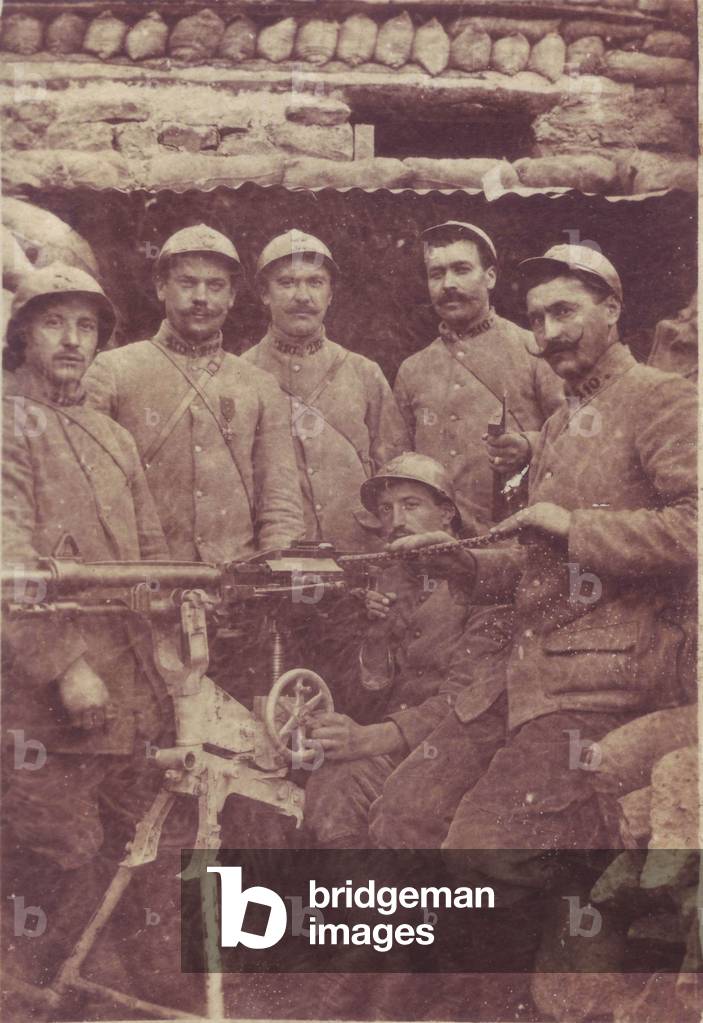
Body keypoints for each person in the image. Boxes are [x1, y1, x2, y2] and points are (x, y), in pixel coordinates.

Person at [389, 243, 697, 854]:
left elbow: (696, 527)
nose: (549, 334)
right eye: (535, 320)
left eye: (565, 313)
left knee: (480, 853)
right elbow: (539, 562)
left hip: (603, 690)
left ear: (611, 310)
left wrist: (575, 526)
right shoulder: (559, 424)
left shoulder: (663, 398)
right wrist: (462, 562)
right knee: (401, 816)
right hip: (519, 685)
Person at [1, 264, 171, 1004]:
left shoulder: (113, 439)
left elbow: (154, 555)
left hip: (128, 689)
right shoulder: (7, 422)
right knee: (54, 851)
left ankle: (67, 995)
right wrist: (65, 664)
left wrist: (175, 612)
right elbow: (7, 557)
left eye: (86, 327)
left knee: (126, 852)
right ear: (23, 334)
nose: (72, 340)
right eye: (54, 322)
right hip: (41, 694)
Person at [303, 452, 513, 848]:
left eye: (411, 505)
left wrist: (369, 739)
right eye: (386, 509)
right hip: (402, 747)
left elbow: (469, 700)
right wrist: (376, 637)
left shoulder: (485, 583)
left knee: (405, 813)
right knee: (332, 785)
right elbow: (368, 697)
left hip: (465, 749)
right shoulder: (388, 580)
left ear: (446, 513)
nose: (396, 520)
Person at [83, 224, 304, 564]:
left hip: (235, 589)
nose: (201, 297)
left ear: (231, 297)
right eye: (187, 283)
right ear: (161, 287)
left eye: (215, 286)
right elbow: (91, 491)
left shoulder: (259, 385)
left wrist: (272, 581)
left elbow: (280, 502)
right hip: (143, 584)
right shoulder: (112, 371)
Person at [242, 230, 409, 550]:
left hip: (360, 557)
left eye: (315, 282)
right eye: (287, 282)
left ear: (331, 294)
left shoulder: (364, 374)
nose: (302, 296)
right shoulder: (239, 376)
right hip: (272, 562)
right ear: (264, 293)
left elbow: (396, 476)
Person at [394, 221, 563, 531]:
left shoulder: (535, 350)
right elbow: (398, 469)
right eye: (437, 274)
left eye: (461, 269)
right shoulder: (412, 370)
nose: (448, 284)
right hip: (436, 546)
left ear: (490, 277)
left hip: (516, 538)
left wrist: (529, 445)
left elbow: (577, 439)